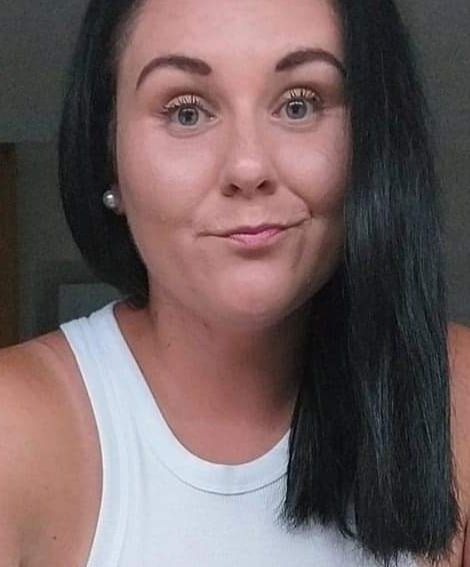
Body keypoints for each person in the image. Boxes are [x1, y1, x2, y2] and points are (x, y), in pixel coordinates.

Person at [0, 0, 469, 565]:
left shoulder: (457, 398)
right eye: (186, 112)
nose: (248, 167)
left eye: (299, 104)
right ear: (109, 156)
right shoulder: (14, 431)